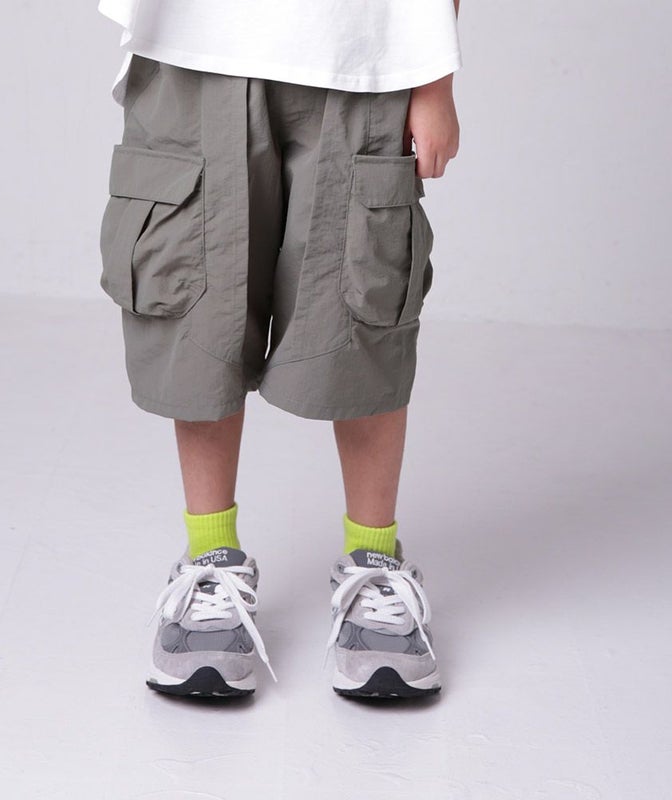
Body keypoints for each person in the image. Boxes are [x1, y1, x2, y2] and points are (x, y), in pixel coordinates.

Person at [97, 0, 462, 699]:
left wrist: (435, 78)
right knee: (197, 312)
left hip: (365, 51)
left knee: (365, 310)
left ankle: (374, 562)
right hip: (196, 44)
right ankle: (210, 560)